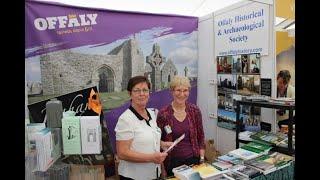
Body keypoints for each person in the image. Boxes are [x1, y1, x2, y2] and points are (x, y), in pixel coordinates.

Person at [115, 76, 169, 180]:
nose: (142, 94)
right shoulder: (125, 119)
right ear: (130, 94)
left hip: (154, 174)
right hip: (134, 177)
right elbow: (122, 153)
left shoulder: (153, 114)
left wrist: (162, 144)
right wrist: (151, 158)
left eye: (145, 90)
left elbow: (146, 137)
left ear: (149, 93)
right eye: (137, 90)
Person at [156, 75, 205, 177]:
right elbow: (157, 142)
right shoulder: (163, 114)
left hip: (193, 161)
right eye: (178, 90)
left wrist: (202, 159)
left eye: (185, 90)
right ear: (172, 91)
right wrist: (162, 169)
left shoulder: (194, 111)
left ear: (189, 91)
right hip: (172, 163)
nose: (182, 94)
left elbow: (201, 137)